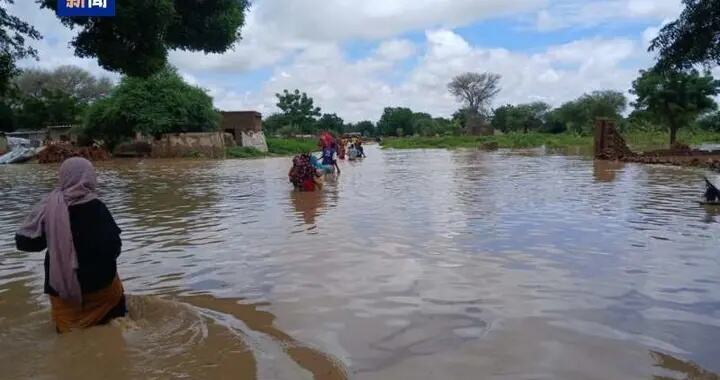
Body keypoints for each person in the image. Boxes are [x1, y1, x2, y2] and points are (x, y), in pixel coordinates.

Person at [15, 157, 126, 333]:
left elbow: (25, 243)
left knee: (68, 337)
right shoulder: (96, 207)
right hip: (101, 288)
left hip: (62, 292)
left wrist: (54, 236)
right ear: (89, 177)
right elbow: (114, 247)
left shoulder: (48, 207)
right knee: (115, 331)